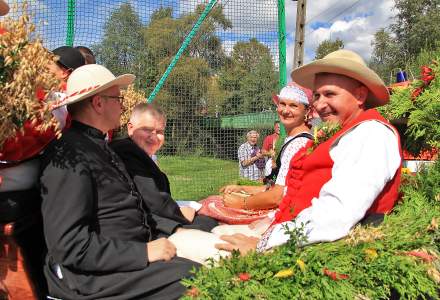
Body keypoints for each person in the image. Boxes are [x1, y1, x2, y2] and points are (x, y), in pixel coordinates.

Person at [170, 49, 402, 263]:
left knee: (178, 241)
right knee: (206, 231)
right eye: (318, 96)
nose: (320, 105)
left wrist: (263, 242)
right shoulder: (346, 132)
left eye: (330, 94)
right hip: (295, 235)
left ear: (360, 95)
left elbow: (337, 213)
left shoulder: (371, 133)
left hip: (315, 251)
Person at [40, 64, 199, 299]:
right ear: (98, 103)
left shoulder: (98, 146)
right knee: (197, 277)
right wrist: (142, 252)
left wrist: (171, 228)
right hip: (89, 278)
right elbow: (70, 245)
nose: (123, 105)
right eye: (117, 98)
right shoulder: (68, 156)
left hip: (119, 257)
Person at [198, 83, 313, 225]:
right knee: (211, 202)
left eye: (293, 105)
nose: (285, 110)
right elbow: (274, 188)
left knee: (208, 208)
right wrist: (242, 188)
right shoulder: (293, 140)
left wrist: (242, 202)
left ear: (307, 111)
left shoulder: (298, 143)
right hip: (280, 204)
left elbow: (277, 196)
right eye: (282, 104)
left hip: (283, 215)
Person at [110, 103, 218, 233]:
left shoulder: (142, 153)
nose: (154, 137)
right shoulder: (126, 151)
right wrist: (180, 214)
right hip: (133, 227)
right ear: (130, 128)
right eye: (147, 129)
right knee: (208, 223)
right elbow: (153, 200)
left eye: (160, 131)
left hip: (147, 218)